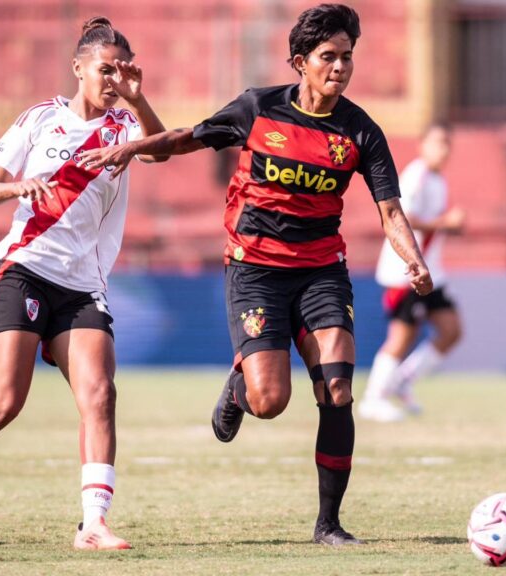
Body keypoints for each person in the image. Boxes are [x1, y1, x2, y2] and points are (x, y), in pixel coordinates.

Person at [77, 3, 432, 546]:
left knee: (337, 387)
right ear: (300, 62)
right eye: (328, 57)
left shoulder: (362, 132)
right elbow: (185, 139)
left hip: (321, 272)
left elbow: (390, 212)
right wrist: (132, 146)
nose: (340, 67)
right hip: (256, 271)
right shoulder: (257, 108)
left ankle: (328, 524)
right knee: (271, 402)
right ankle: (241, 388)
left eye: (347, 58)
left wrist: (413, 259)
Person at [0, 16, 166, 551]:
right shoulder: (39, 119)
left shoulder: (122, 127)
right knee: (5, 403)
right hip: (23, 272)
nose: (111, 78)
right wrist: (21, 186)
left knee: (100, 394)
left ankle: (93, 524)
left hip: (83, 285)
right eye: (103, 68)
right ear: (78, 67)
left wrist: (138, 100)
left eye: (121, 70)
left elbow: (160, 148)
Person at [360, 123, 464, 422]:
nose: (442, 149)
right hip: (403, 270)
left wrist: (448, 225)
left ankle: (403, 381)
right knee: (402, 337)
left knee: (451, 330)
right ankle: (373, 399)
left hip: (431, 272)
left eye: (446, 143)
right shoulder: (415, 175)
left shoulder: (437, 180)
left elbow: (430, 224)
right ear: (422, 145)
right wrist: (447, 223)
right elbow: (401, 217)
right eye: (436, 142)